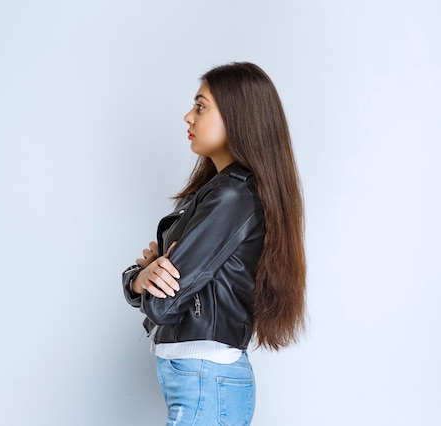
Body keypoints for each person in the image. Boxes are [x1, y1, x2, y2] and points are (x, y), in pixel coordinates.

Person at [122, 62, 306, 425]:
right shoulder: (217, 193)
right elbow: (155, 286)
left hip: (206, 380)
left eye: (201, 106)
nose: (188, 117)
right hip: (201, 380)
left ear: (238, 116)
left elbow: (164, 303)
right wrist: (139, 278)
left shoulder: (232, 196)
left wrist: (144, 279)